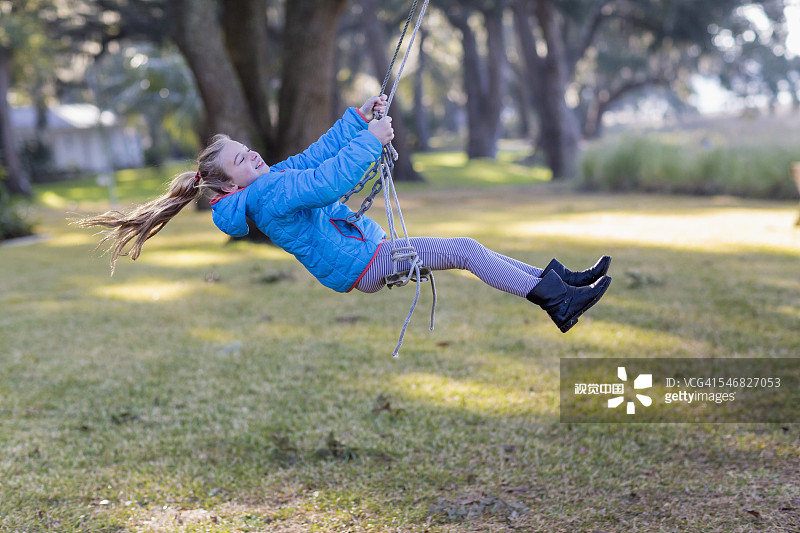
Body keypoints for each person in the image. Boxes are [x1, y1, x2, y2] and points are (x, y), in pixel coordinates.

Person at [76, 95, 612, 333]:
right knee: (465, 250)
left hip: (365, 252)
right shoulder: (266, 198)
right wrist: (373, 140)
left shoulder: (266, 183)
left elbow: (312, 158)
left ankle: (557, 283)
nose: (253, 155)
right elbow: (327, 179)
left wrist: (357, 122)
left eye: (247, 148)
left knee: (467, 249)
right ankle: (557, 300)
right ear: (227, 184)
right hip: (364, 263)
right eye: (242, 158)